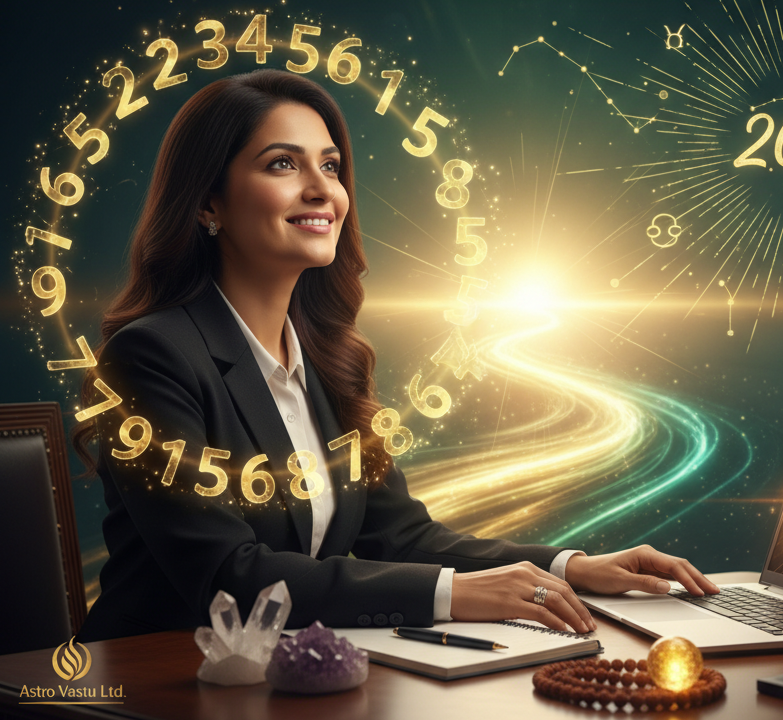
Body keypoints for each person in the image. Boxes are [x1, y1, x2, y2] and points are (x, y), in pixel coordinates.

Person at [74, 69, 718, 642]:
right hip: (152, 681)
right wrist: (453, 594)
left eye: (331, 166)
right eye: (283, 164)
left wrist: (570, 568)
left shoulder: (327, 360)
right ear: (207, 202)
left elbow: (401, 535)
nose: (322, 190)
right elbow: (228, 576)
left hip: (281, 680)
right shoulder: (149, 357)